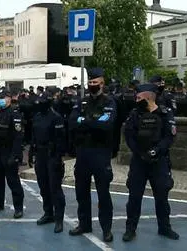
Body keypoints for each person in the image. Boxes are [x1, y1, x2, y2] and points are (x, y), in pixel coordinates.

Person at [123, 83, 179, 242]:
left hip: (159, 162)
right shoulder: (134, 114)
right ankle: (130, 229)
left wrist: (157, 150)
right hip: (139, 162)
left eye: (139, 97)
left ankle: (165, 227)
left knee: (162, 196)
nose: (136, 99)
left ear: (148, 97)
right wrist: (140, 153)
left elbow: (170, 137)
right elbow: (129, 136)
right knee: (134, 197)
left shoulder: (165, 113)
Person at [68, 68, 116, 242]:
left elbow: (107, 125)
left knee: (103, 193)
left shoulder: (109, 102)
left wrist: (85, 121)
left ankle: (106, 229)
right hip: (83, 153)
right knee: (81, 192)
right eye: (90, 83)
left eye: (95, 83)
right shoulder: (81, 102)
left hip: (101, 153)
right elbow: (72, 122)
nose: (92, 86)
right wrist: (94, 122)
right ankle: (84, 223)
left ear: (102, 83)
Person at [0, 88, 24, 218]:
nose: (0, 99)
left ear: (9, 98)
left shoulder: (14, 114)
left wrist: (15, 156)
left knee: (13, 181)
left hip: (9, 152)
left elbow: (18, 138)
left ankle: (18, 208)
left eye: (2, 97)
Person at [31, 92, 66, 233]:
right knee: (43, 185)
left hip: (52, 154)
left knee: (55, 188)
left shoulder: (56, 118)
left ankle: (59, 219)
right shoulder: (37, 117)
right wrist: (32, 152)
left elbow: (61, 139)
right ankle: (48, 213)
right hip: (40, 154)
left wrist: (58, 156)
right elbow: (34, 135)